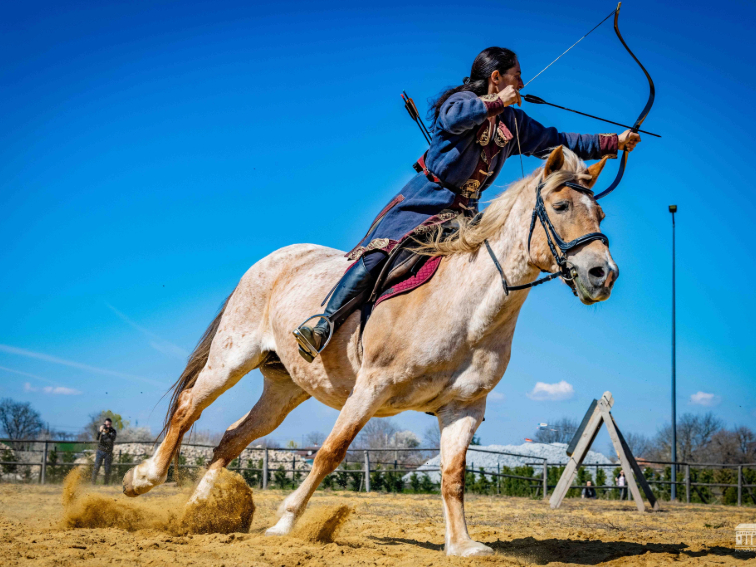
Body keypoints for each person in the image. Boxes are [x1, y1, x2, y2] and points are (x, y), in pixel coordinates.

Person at [294, 46, 642, 362]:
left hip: (464, 214)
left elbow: (558, 141)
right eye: (516, 75)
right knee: (380, 255)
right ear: (496, 78)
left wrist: (614, 141)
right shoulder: (459, 102)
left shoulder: (513, 123)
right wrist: (497, 102)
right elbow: (454, 119)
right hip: (424, 202)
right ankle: (324, 322)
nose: (521, 82)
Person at [91, 418, 117, 485]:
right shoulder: (102, 430)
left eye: (109, 425)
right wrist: (100, 432)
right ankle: (93, 483)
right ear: (104, 424)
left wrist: (107, 433)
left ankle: (106, 484)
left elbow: (111, 440)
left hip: (108, 452)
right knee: (96, 467)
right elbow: (97, 438)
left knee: (107, 469)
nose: (108, 426)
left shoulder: (113, 431)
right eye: (107, 424)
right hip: (100, 451)